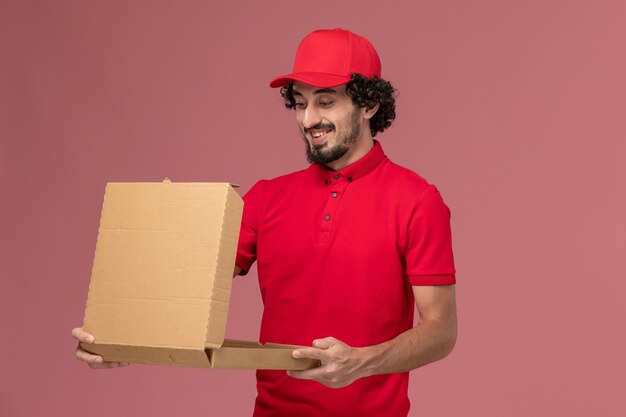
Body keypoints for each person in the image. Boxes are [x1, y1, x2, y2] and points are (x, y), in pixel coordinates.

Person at [73, 28, 457, 417]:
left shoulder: (417, 201)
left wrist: (361, 361)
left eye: (325, 102)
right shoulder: (266, 198)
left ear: (370, 103)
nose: (309, 119)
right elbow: (180, 286)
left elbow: (441, 331)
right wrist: (117, 339)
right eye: (300, 103)